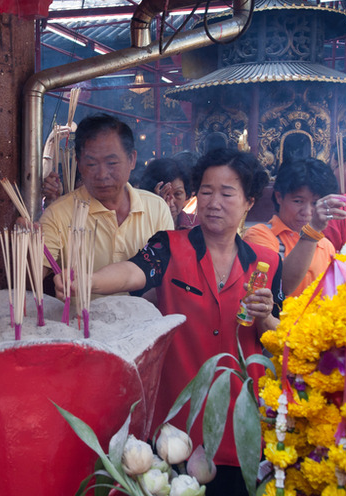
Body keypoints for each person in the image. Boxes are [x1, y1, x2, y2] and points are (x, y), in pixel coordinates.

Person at [58, 146, 282, 496]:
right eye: (206, 191)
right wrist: (88, 281)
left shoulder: (267, 261)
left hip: (245, 426)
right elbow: (135, 272)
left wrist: (266, 316)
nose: (213, 202)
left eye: (227, 193)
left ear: (249, 201)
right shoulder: (169, 246)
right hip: (177, 426)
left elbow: (281, 336)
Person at [40, 114, 174, 276]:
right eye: (91, 164)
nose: (102, 174)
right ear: (79, 164)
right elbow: (33, 278)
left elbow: (166, 272)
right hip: (83, 303)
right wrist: (29, 246)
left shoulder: (157, 208)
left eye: (111, 163)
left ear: (131, 159)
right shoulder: (58, 214)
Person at [244, 158, 339, 296]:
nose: (307, 212)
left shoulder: (325, 246)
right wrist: (312, 232)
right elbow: (281, 287)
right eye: (298, 201)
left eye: (315, 203)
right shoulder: (259, 235)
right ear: (279, 197)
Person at [137, 158, 191, 229]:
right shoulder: (139, 225)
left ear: (186, 194)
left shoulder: (196, 225)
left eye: (177, 194)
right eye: (165, 194)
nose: (170, 203)